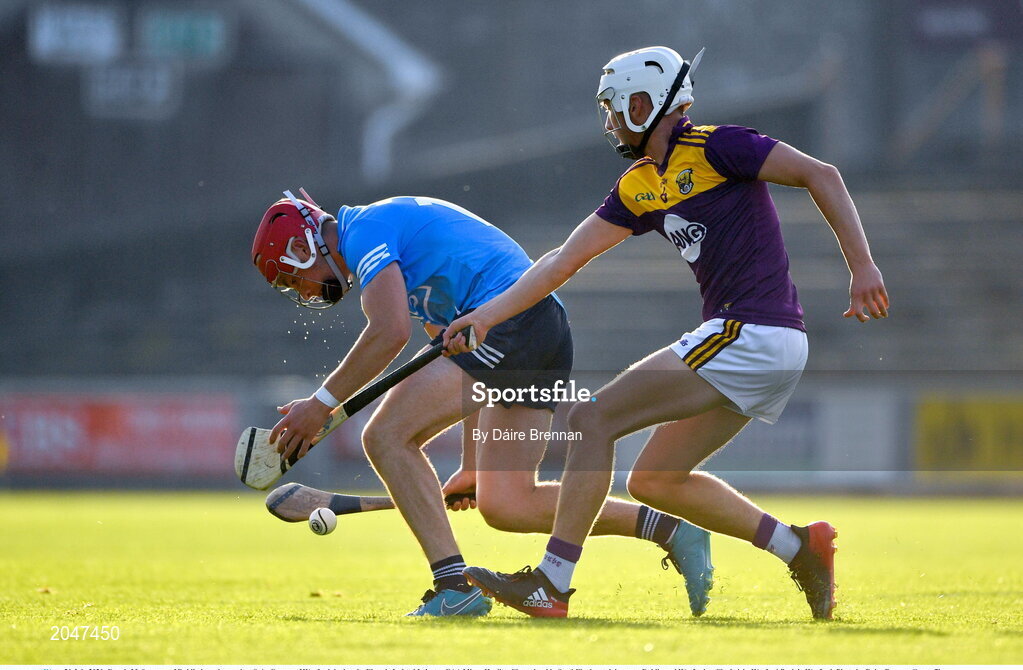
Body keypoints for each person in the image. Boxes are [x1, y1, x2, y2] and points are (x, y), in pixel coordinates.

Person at [445, 46, 889, 620]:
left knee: (590, 419)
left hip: (751, 332)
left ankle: (552, 584)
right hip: (759, 342)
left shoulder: (718, 145)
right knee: (654, 479)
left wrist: (863, 266)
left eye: (613, 108)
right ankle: (800, 548)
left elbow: (818, 173)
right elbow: (560, 262)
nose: (608, 121)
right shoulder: (639, 186)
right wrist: (488, 315)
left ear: (644, 102)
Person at [251, 190, 715, 617]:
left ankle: (452, 587)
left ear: (303, 248)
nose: (304, 292)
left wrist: (321, 404)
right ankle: (670, 530)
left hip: (513, 321)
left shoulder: (365, 232)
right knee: (508, 504)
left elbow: (389, 332)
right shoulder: (398, 257)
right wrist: (472, 465)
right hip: (542, 328)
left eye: (294, 279)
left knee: (387, 436)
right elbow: (451, 354)